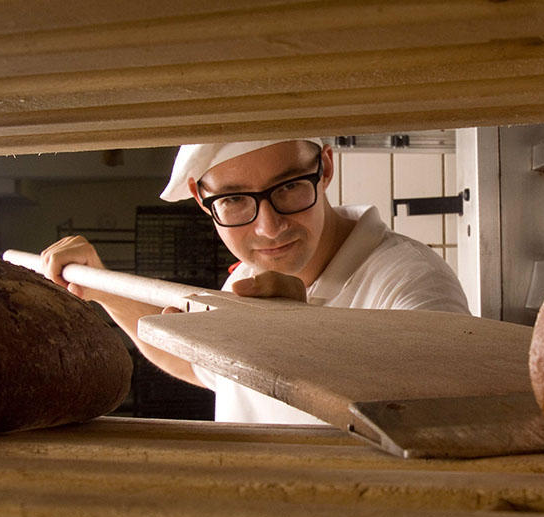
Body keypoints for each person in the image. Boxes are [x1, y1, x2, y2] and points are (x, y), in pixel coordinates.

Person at [41, 137, 470, 424]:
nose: (268, 227)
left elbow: (447, 421)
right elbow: (202, 367)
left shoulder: (408, 280)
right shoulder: (246, 282)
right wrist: (100, 289)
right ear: (201, 198)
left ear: (324, 167)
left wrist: (304, 341)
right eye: (233, 200)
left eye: (287, 188)